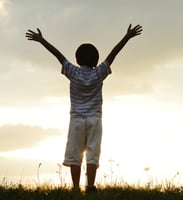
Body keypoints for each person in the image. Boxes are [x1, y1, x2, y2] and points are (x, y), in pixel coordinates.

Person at [25, 24, 143, 191]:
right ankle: (90, 186)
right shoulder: (99, 73)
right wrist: (127, 37)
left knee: (75, 154)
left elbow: (58, 55)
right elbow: (113, 54)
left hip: (77, 120)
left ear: (77, 60)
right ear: (96, 60)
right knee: (92, 154)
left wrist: (41, 40)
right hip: (95, 119)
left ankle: (74, 187)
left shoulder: (73, 72)